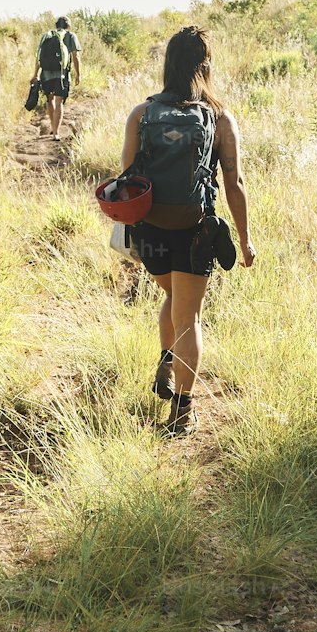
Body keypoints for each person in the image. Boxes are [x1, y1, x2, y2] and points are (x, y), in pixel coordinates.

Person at [121, 25, 255, 435]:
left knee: (174, 300)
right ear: (206, 66)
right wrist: (246, 240)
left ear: (168, 65)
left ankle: (166, 359)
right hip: (195, 231)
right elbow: (234, 183)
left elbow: (126, 177)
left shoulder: (141, 115)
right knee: (189, 316)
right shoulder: (219, 118)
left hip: (151, 230)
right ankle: (182, 409)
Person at [31, 16, 81, 139]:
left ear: (56, 25)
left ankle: (53, 129)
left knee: (50, 99)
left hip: (46, 73)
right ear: (68, 26)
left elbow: (38, 57)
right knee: (59, 102)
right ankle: (56, 133)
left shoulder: (46, 36)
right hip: (62, 74)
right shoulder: (70, 36)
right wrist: (78, 74)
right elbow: (76, 56)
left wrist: (35, 74)